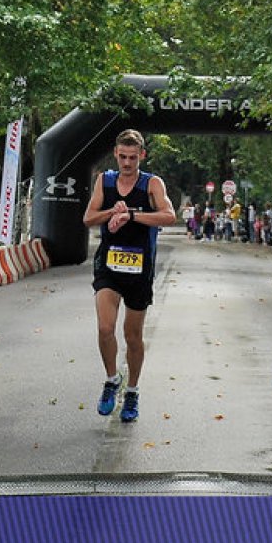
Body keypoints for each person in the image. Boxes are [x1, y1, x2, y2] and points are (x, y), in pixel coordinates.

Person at [82, 129, 176, 423]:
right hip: (109, 267)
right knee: (105, 328)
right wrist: (113, 211)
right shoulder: (105, 181)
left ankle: (132, 390)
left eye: (132, 158)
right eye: (122, 157)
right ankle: (112, 380)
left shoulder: (151, 184)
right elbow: (88, 218)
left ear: (141, 156)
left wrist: (132, 215)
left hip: (139, 268)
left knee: (132, 336)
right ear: (115, 154)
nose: (126, 163)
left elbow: (169, 215)